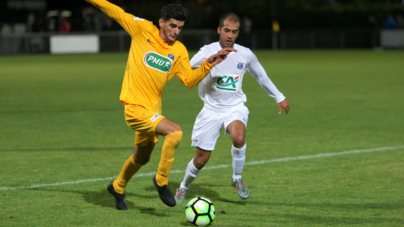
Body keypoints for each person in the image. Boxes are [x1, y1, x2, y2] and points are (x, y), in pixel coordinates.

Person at [83, 0, 235, 210]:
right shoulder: (142, 29)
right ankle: (161, 180)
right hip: (134, 107)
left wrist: (209, 63)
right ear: (161, 22)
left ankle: (117, 187)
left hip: (152, 111)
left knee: (141, 158)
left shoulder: (179, 50)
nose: (176, 31)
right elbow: (115, 11)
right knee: (175, 133)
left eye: (180, 28)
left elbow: (189, 80)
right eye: (172, 25)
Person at [175, 13, 290, 202]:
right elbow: (186, 69)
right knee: (201, 160)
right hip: (211, 109)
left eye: (234, 32)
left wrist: (280, 97)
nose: (230, 35)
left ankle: (237, 178)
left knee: (239, 138)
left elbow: (261, 76)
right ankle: (183, 186)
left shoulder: (245, 54)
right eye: (226, 30)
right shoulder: (207, 51)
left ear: (238, 34)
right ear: (219, 30)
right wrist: (209, 61)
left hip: (234, 107)